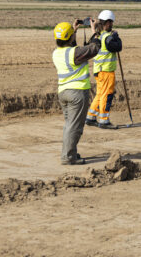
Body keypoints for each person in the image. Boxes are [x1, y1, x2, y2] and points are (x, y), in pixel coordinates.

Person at [52, 19, 100, 165]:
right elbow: (94, 48)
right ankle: (68, 157)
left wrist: (74, 31)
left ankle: (69, 152)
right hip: (77, 93)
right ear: (70, 37)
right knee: (75, 127)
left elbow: (72, 49)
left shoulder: (56, 53)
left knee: (69, 125)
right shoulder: (74, 53)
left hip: (63, 92)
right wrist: (94, 31)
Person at [85, 10, 122, 129]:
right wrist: (116, 37)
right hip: (106, 71)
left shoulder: (98, 36)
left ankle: (91, 117)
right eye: (111, 22)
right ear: (108, 22)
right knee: (106, 95)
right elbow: (118, 47)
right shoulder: (107, 37)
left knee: (100, 94)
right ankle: (104, 120)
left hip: (99, 70)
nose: (112, 25)